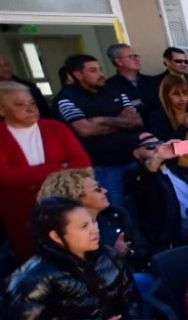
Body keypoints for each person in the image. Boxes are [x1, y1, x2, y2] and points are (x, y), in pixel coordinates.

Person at [8, 198, 159, 320]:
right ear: (56, 236)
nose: (95, 230)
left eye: (93, 222)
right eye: (84, 226)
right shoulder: (33, 277)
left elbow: (129, 300)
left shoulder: (109, 257)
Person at [0, 81, 91, 260]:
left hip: (66, 209)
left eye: (32, 103)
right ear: (2, 110)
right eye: (19, 104)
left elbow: (83, 165)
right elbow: (5, 176)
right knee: (37, 262)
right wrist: (59, 168)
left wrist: (29, 177)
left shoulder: (56, 129)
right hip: (21, 215)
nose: (30, 109)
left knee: (79, 257)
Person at [53, 54, 144, 205]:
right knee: (115, 208)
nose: (101, 74)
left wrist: (100, 120)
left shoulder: (115, 90)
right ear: (78, 75)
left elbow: (137, 121)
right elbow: (85, 130)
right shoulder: (67, 98)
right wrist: (120, 120)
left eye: (100, 69)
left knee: (145, 204)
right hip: (103, 166)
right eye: (93, 70)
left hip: (133, 158)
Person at [126, 133, 188, 253]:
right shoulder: (134, 176)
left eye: (160, 144)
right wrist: (158, 157)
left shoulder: (178, 170)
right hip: (173, 237)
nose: (157, 149)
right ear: (136, 153)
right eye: (150, 146)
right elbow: (147, 188)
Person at [147, 76, 188, 186]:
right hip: (178, 169)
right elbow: (165, 146)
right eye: (176, 94)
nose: (182, 99)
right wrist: (184, 127)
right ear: (166, 95)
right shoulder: (158, 116)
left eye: (185, 93)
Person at [103, 44, 153, 118]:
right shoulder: (108, 86)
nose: (136, 59)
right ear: (119, 62)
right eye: (131, 56)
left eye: (136, 56)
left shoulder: (152, 82)